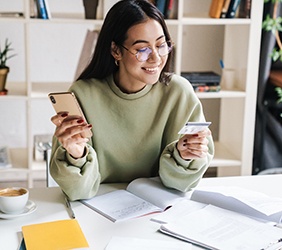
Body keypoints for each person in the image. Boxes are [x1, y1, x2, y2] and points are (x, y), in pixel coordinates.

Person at [50, 0, 214, 201]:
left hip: (159, 208)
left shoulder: (179, 93)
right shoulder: (83, 94)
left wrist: (184, 156)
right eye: (142, 49)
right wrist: (76, 154)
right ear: (116, 51)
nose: (155, 58)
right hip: (97, 208)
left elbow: (180, 186)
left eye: (161, 46)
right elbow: (79, 192)